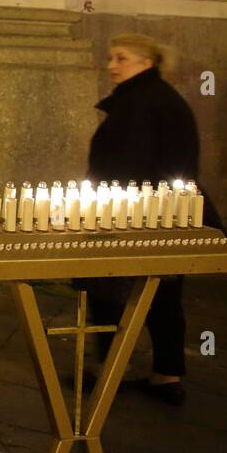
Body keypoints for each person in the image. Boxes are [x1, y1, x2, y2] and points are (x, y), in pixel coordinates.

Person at [83, 34, 205, 406]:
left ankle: (110, 370)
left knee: (107, 286)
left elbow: (127, 163)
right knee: (163, 291)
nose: (111, 66)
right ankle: (167, 375)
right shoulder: (159, 97)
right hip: (167, 211)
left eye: (121, 58)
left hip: (133, 214)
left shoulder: (139, 103)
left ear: (145, 63)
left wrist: (105, 211)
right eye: (110, 57)